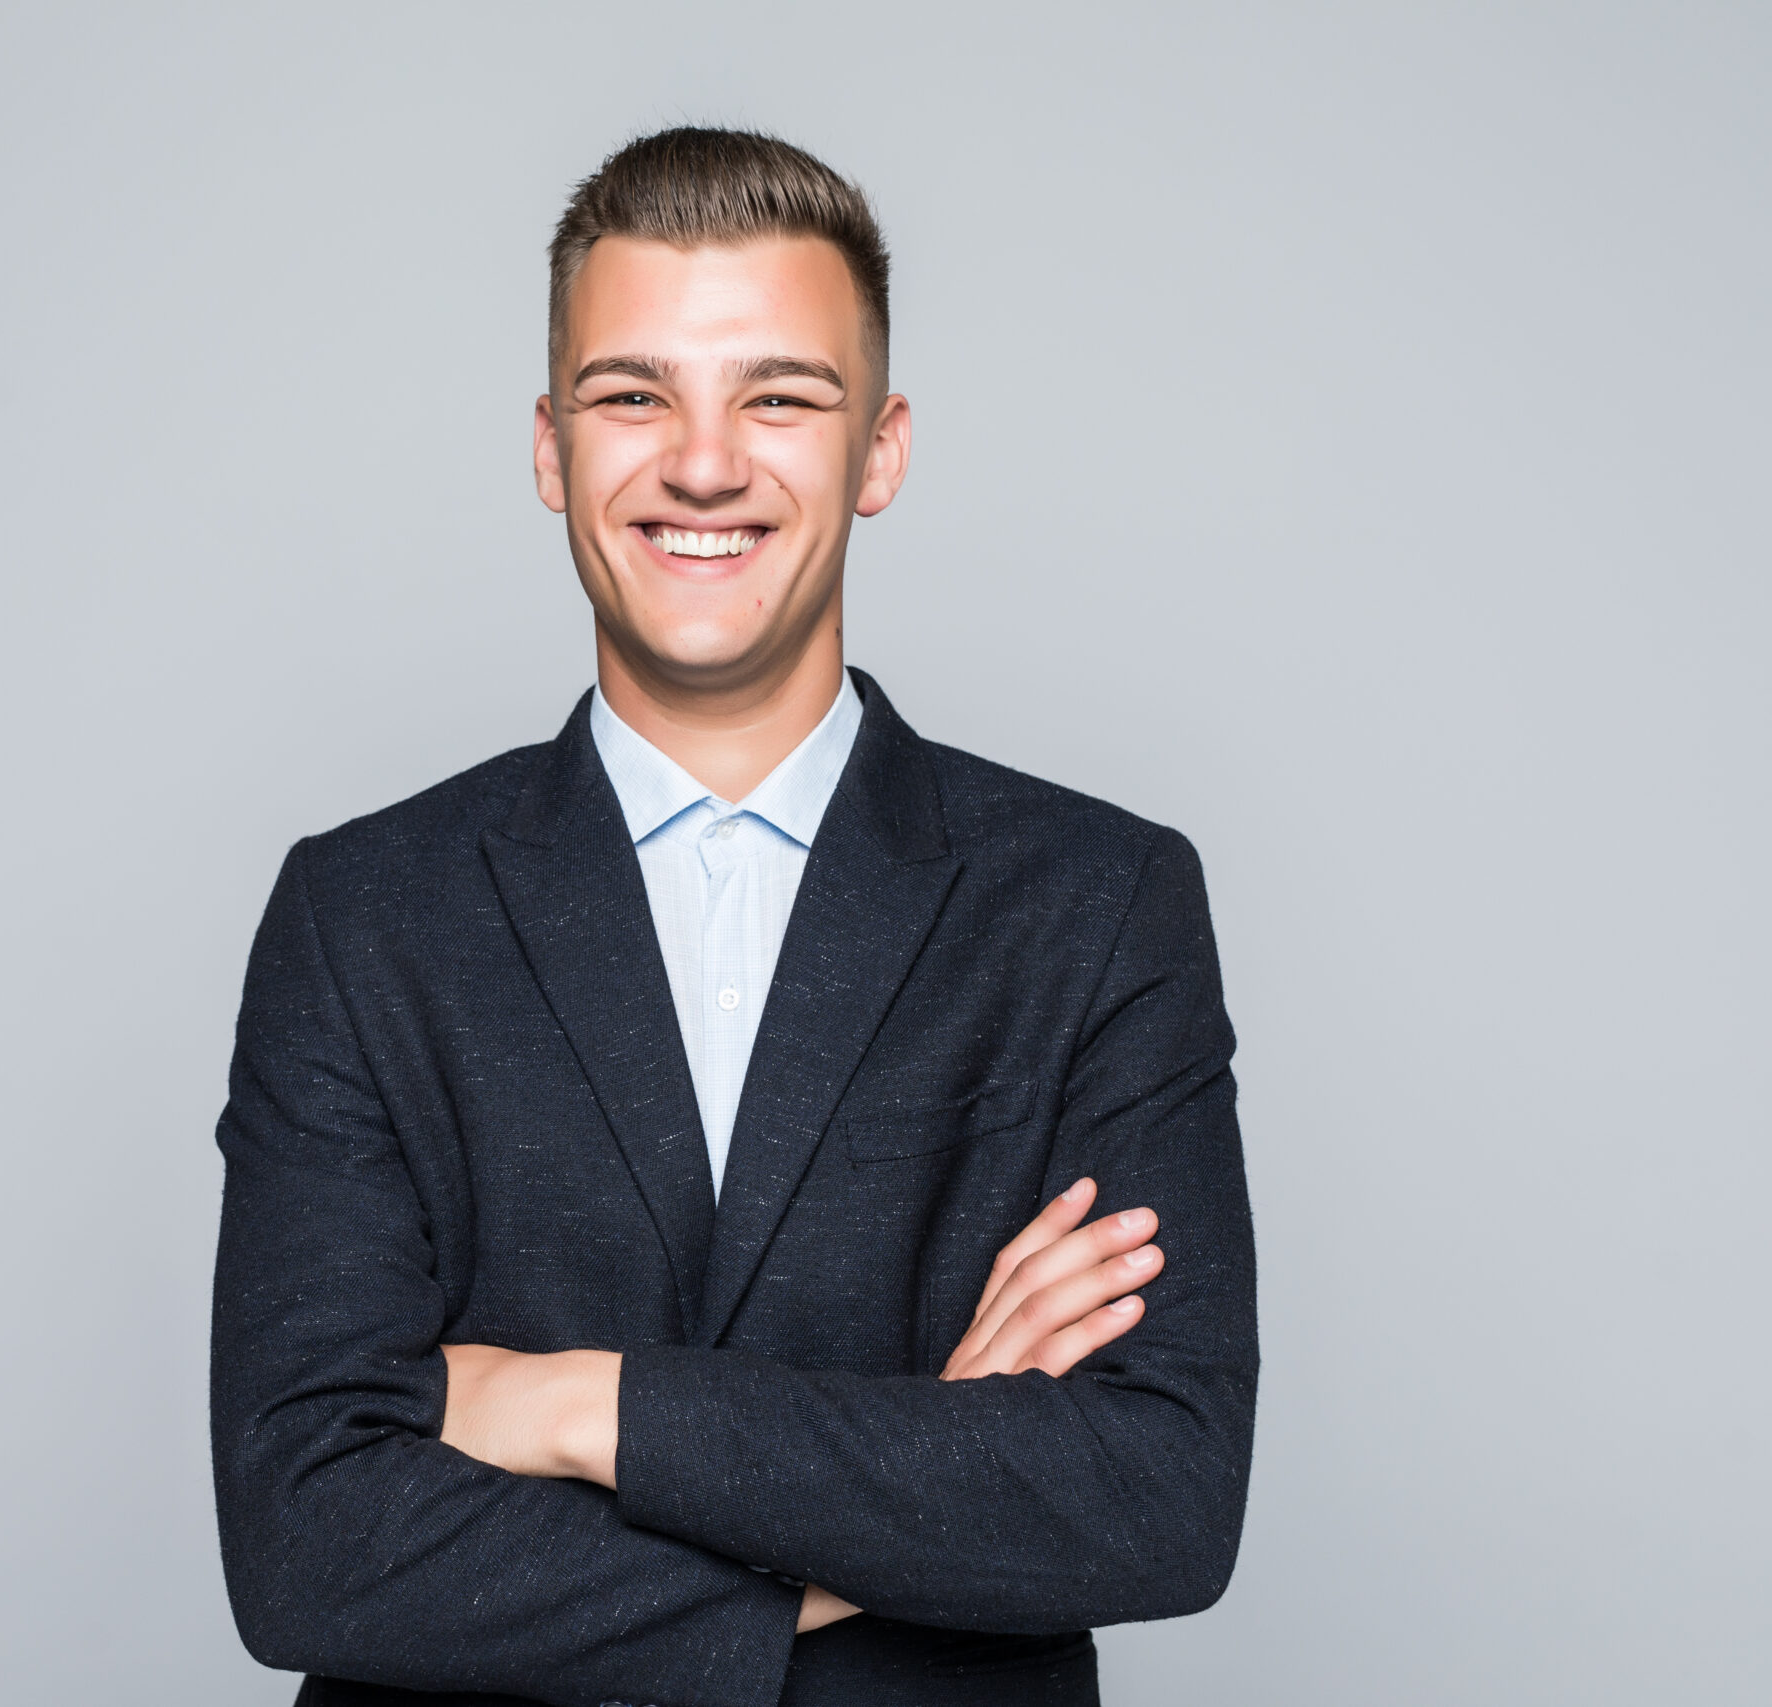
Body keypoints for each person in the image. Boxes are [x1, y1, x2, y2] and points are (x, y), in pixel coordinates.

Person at [210, 127, 1256, 1707]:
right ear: (553, 449)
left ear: (881, 451)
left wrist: (576, 1407)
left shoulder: (1100, 905)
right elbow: (306, 1541)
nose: (704, 463)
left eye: (779, 395)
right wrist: (911, 1501)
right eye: (636, 396)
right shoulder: (363, 917)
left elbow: (1152, 1499)